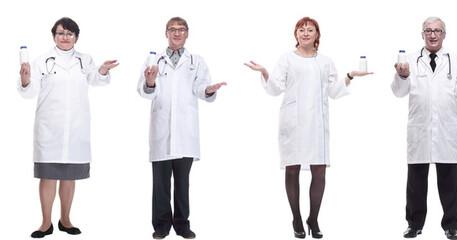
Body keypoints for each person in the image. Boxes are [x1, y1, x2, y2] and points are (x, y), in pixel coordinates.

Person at [244, 16, 372, 239]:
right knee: (292, 168)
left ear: (316, 35)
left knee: (319, 170)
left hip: (317, 123)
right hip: (293, 123)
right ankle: (296, 218)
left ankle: (313, 218)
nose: (305, 33)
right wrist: (264, 72)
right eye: (301, 30)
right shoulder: (287, 59)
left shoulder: (325, 61)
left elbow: (333, 91)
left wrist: (351, 75)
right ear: (296, 35)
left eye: (310, 30)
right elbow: (275, 88)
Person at [17, 17, 118, 239]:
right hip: (49, 128)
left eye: (70, 34)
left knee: (69, 176)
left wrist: (101, 70)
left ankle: (65, 220)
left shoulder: (85, 59)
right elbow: (29, 91)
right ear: (53, 36)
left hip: (75, 129)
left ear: (76, 38)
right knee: (48, 176)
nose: (65, 37)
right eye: (61, 33)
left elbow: (97, 80)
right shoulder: (42, 61)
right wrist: (25, 79)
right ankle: (45, 223)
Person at [392, 16, 457, 240]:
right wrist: (402, 76)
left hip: (446, 130)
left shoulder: (455, 60)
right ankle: (414, 224)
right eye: (428, 31)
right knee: (415, 182)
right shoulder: (410, 60)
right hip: (420, 130)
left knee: (449, 182)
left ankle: (451, 226)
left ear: (444, 34)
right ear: (422, 34)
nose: (433, 34)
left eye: (437, 31)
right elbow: (398, 92)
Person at [137, 17, 226, 240]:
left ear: (187, 34)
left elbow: (200, 88)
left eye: (181, 30)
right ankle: (161, 225)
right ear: (165, 33)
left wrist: (209, 89)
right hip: (162, 131)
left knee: (183, 183)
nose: (177, 33)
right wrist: (149, 83)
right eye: (172, 30)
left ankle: (182, 224)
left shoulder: (196, 60)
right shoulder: (154, 60)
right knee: (160, 184)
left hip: (185, 132)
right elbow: (144, 90)